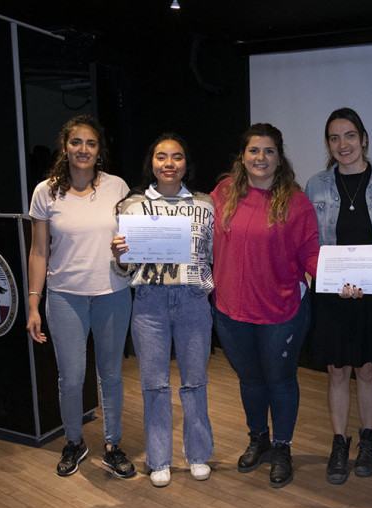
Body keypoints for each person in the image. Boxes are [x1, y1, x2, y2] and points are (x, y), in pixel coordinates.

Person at [304, 108, 372, 485]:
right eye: (334, 138)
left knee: (367, 368)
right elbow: (310, 244)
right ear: (328, 145)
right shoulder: (315, 186)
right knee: (337, 370)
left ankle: (368, 440)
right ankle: (339, 441)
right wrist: (326, 278)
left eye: (349, 136)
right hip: (333, 292)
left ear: (363, 139)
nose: (342, 144)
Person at [210, 123, 320, 489]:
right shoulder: (223, 193)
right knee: (251, 381)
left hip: (280, 312)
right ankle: (258, 438)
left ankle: (282, 447)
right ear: (242, 156)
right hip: (230, 311)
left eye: (268, 151)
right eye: (254, 150)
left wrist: (341, 282)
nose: (261, 157)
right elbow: (195, 238)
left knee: (280, 381)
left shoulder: (296, 201)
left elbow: (312, 255)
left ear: (279, 157)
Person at [27, 114, 136, 479]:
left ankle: (112, 445)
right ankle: (74, 442)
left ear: (99, 150)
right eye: (76, 142)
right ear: (65, 147)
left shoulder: (118, 187)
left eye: (90, 143)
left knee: (111, 376)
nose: (83, 149)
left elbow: (131, 243)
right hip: (63, 297)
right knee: (71, 378)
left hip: (112, 294)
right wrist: (33, 303)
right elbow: (39, 251)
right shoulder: (45, 191)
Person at [110, 134, 215, 488]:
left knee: (195, 381)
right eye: (161, 156)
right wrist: (120, 256)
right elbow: (125, 269)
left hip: (192, 300)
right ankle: (159, 460)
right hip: (150, 303)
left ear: (186, 163)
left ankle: (198, 454)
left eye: (177, 157)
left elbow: (215, 255)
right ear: (151, 163)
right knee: (154, 385)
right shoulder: (130, 206)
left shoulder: (206, 205)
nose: (169, 163)